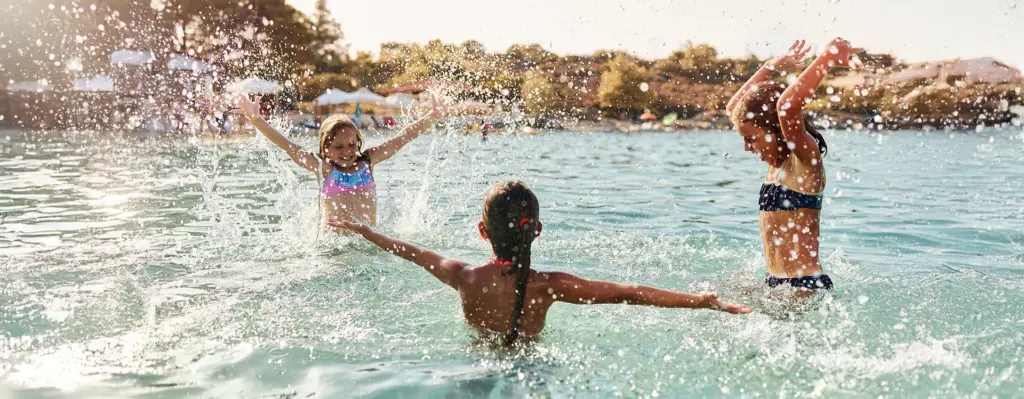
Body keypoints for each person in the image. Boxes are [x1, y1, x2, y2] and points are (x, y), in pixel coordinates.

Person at [332, 181, 750, 345]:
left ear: (483, 231)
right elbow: (630, 294)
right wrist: (701, 301)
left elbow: (407, 250)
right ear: (537, 230)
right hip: (531, 371)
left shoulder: (462, 277)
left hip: (476, 363)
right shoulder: (550, 286)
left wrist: (365, 231)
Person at [726, 38, 864, 292]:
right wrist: (769, 66)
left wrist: (827, 58)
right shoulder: (775, 164)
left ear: (776, 130)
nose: (746, 147)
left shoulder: (804, 160)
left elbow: (787, 108)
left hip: (803, 287)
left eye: (751, 139)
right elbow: (734, 108)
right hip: (774, 283)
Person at [236, 92, 446, 226]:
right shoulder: (324, 168)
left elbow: (401, 139)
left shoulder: (367, 162)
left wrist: (432, 117)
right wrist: (256, 120)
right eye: (338, 147)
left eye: (352, 145)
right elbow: (288, 146)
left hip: (367, 246)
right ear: (325, 149)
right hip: (335, 251)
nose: (347, 151)